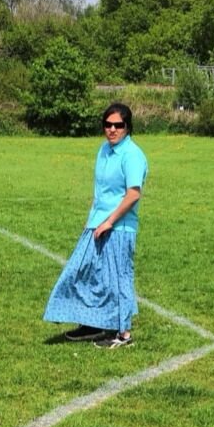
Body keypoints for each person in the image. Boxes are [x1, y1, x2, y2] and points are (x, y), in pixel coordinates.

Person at [44, 102, 148, 348]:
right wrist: (92, 219)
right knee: (86, 274)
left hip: (119, 228)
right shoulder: (103, 150)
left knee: (118, 279)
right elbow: (100, 191)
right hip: (98, 224)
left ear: (127, 127)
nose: (112, 130)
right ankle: (92, 322)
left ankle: (123, 334)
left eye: (118, 125)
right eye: (108, 125)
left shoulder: (132, 154)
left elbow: (133, 194)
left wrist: (110, 221)